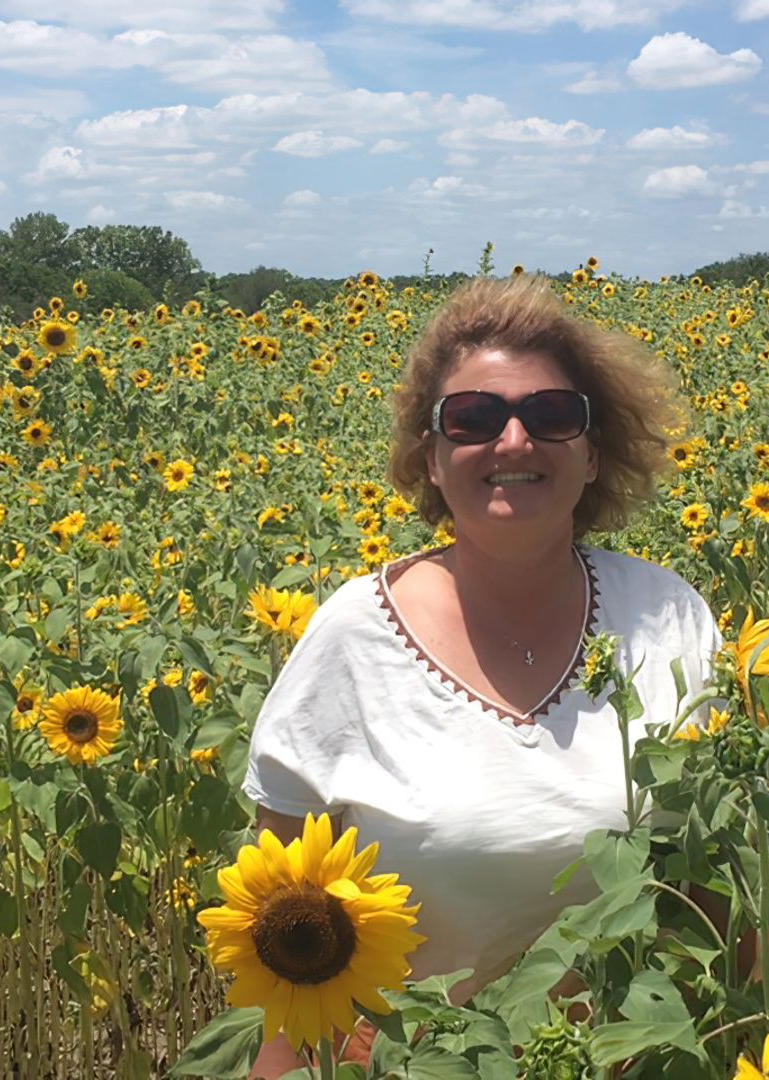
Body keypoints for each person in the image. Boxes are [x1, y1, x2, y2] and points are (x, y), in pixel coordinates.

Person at [241, 275, 722, 1076]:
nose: (513, 442)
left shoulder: (666, 619)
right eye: (472, 419)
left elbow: (726, 904)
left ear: (594, 450)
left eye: (551, 415)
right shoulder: (353, 642)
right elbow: (280, 946)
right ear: (429, 457)